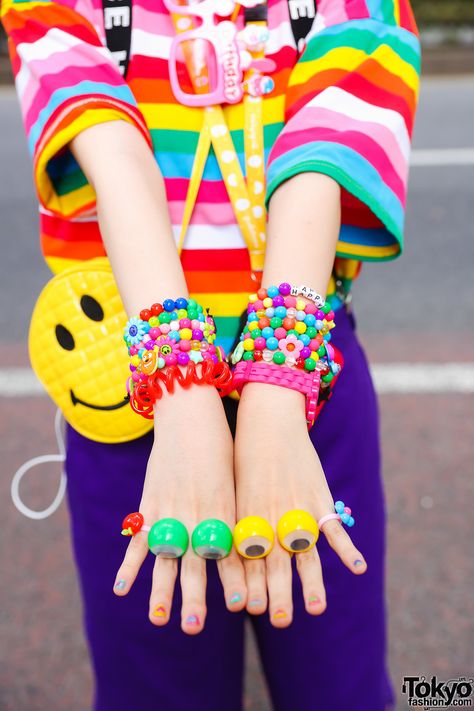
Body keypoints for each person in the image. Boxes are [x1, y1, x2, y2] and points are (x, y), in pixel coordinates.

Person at [1, 0, 421, 709]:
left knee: (340, 688)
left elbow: (326, 153)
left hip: (307, 395)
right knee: (157, 692)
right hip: (133, 405)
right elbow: (111, 150)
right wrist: (183, 392)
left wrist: (274, 389)